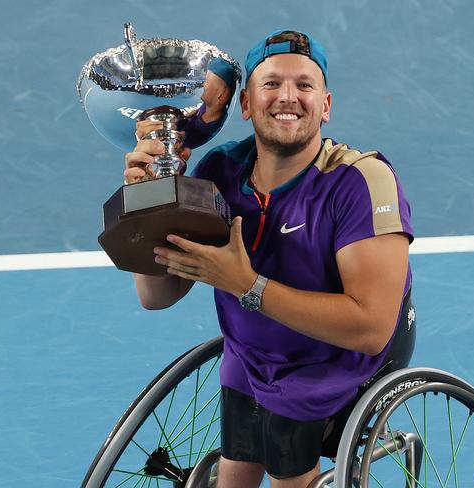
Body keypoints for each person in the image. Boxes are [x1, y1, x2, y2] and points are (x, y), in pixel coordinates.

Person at [124, 30, 415, 488]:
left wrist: (247, 285)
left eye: (304, 85)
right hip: (253, 352)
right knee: (234, 473)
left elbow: (371, 329)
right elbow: (157, 295)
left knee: (286, 457)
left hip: (335, 361)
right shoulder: (219, 173)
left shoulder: (361, 181)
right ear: (245, 104)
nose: (288, 97)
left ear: (326, 105)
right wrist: (147, 200)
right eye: (272, 83)